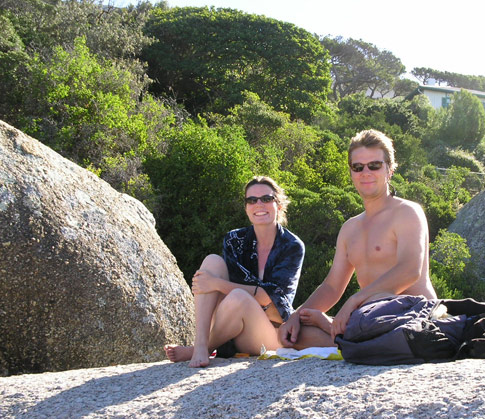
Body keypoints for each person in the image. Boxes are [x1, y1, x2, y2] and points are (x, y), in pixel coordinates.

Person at [279, 129, 437, 348]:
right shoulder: (350, 228)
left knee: (368, 313)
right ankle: (345, 335)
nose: (366, 172)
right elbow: (332, 286)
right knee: (296, 335)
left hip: (413, 316)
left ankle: (342, 332)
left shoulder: (407, 212)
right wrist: (297, 315)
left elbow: (410, 270)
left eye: (375, 165)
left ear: (390, 169)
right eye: (358, 167)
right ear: (351, 172)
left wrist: (355, 301)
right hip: (369, 317)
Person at [165, 176, 304, 367]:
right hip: (231, 324)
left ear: (278, 205)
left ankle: (201, 348)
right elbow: (228, 291)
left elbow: (269, 298)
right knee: (212, 262)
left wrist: (215, 284)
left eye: (266, 198)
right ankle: (201, 342)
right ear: (246, 208)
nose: (259, 204)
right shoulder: (234, 240)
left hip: (269, 332)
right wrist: (215, 284)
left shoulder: (292, 246)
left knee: (238, 296)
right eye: (252, 200)